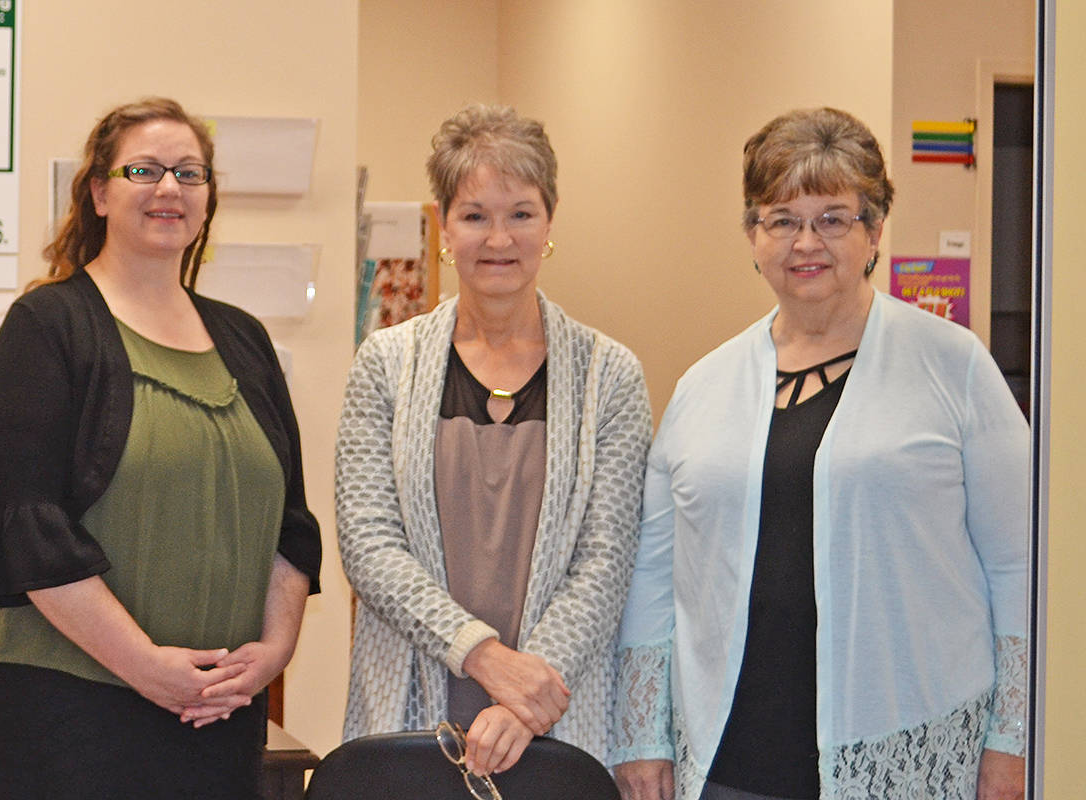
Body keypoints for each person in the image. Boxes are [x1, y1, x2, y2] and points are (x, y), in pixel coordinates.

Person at [610, 107, 1028, 800]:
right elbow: (655, 579)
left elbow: (1019, 570)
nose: (807, 241)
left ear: (874, 232)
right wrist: (641, 736)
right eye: (782, 219)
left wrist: (1011, 743)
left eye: (833, 218)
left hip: (911, 750)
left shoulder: (952, 366)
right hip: (729, 758)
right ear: (752, 235)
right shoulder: (701, 387)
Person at [0, 98, 322, 799]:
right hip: (70, 710)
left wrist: (273, 655)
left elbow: (291, 525)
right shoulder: (47, 327)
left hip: (217, 712)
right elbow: (30, 529)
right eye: (144, 170)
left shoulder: (244, 340)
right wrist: (147, 666)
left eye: (190, 173)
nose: (169, 190)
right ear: (99, 192)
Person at [336, 103, 652, 778]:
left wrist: (523, 702)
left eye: (521, 213)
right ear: (445, 225)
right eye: (475, 215)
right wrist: (483, 657)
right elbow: (368, 545)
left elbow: (607, 561)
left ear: (550, 221)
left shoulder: (611, 375)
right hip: (412, 709)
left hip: (552, 714)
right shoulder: (385, 362)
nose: (498, 238)